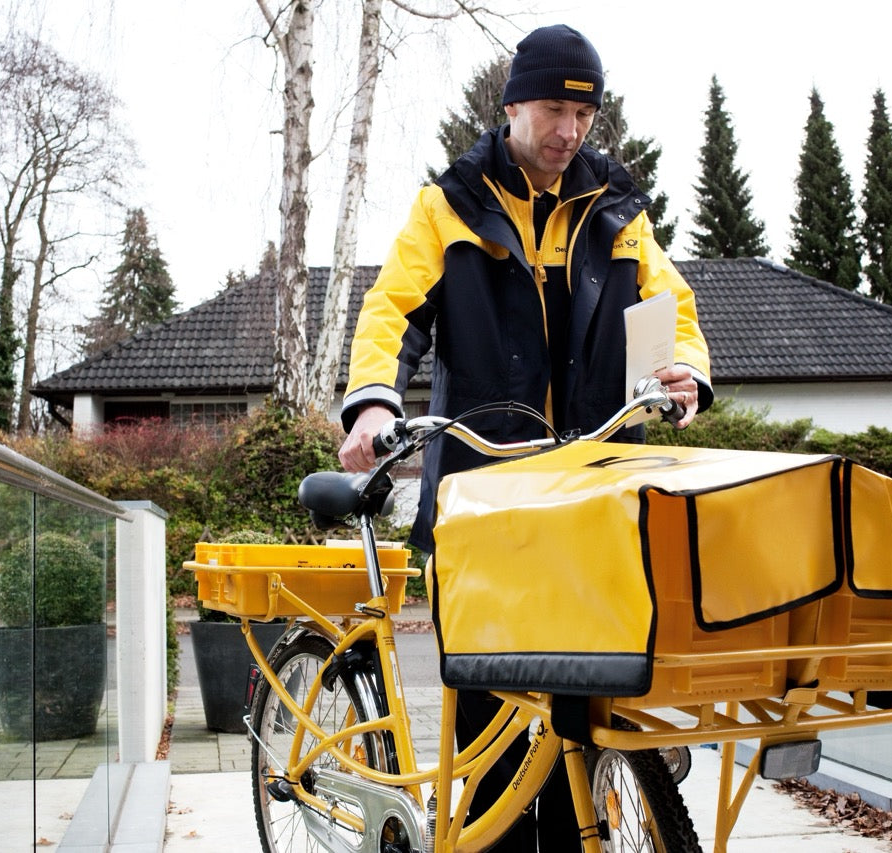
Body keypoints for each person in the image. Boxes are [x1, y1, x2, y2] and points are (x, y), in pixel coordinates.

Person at [338, 23, 713, 850]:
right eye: (553, 108)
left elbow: (671, 305)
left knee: (579, 715)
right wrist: (372, 404)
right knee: (493, 726)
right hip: (485, 499)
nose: (569, 130)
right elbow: (390, 309)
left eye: (584, 114)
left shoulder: (617, 210)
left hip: (585, 498)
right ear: (511, 106)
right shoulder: (453, 205)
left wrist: (683, 367)